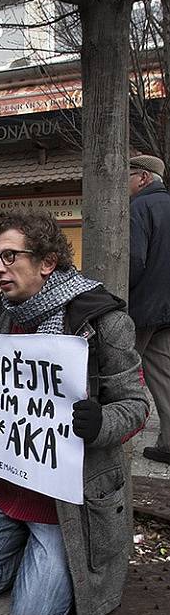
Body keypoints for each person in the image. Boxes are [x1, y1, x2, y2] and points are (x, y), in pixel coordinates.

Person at [0, 210, 148, 615]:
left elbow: (137, 407)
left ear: (47, 262)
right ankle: (32, 550)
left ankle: (54, 552)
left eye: (10, 257)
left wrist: (100, 421)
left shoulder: (102, 320)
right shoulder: (3, 314)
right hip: (12, 483)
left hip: (68, 499)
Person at [129, 154, 170, 465]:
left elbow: (134, 261)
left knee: (115, 366)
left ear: (143, 178)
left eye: (127, 175)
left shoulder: (138, 208)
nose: (124, 183)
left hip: (143, 308)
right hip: (167, 311)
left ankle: (110, 435)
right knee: (162, 375)